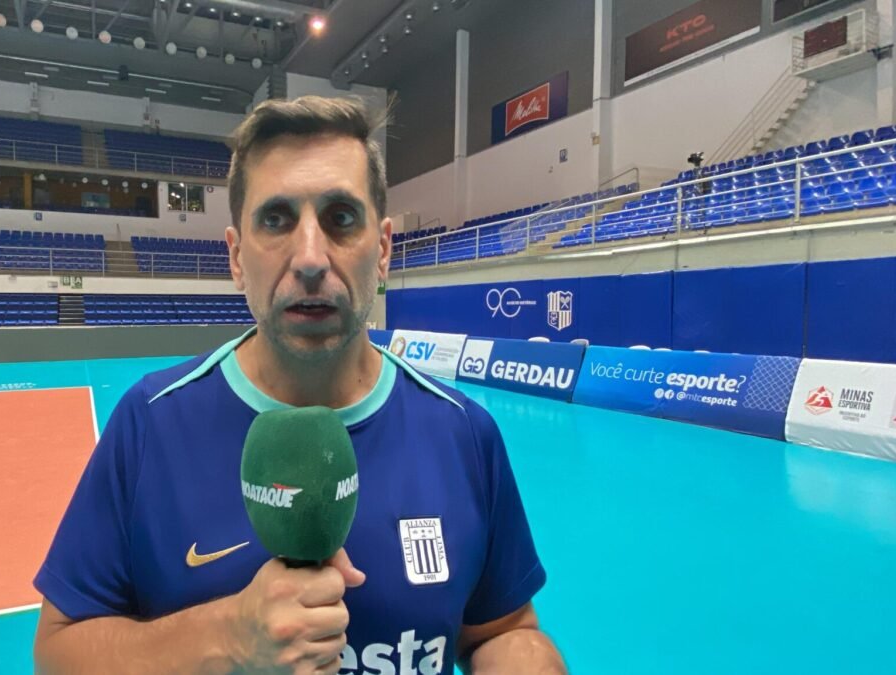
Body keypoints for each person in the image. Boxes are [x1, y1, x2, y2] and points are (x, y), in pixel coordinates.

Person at [32, 95, 566, 674]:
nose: (310, 258)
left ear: (382, 249)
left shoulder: (464, 432)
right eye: (277, 219)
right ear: (237, 257)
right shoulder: (149, 422)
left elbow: (503, 630)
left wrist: (524, 659)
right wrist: (227, 637)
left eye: (340, 218)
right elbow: (58, 655)